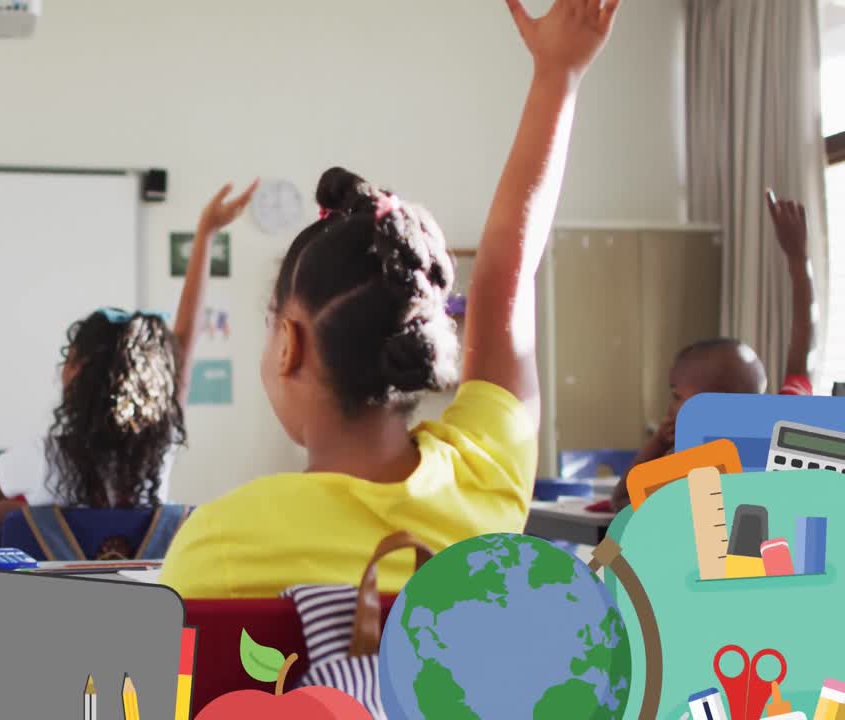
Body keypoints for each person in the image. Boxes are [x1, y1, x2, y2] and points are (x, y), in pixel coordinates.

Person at [158, 0, 621, 598]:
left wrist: (556, 73)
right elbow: (508, 276)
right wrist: (560, 75)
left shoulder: (218, 545)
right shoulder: (485, 480)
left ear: (289, 346)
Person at [0, 181, 258, 526]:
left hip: (60, 584)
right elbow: (185, 343)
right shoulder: (157, 452)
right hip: (144, 583)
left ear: (76, 371)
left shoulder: (43, 458)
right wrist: (205, 234)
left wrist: (31, 514)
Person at [605, 191, 818, 511]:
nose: (672, 406)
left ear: (702, 405)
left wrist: (659, 441)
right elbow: (804, 344)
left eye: (677, 396)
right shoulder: (788, 426)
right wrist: (798, 259)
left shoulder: (697, 464)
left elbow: (621, 502)